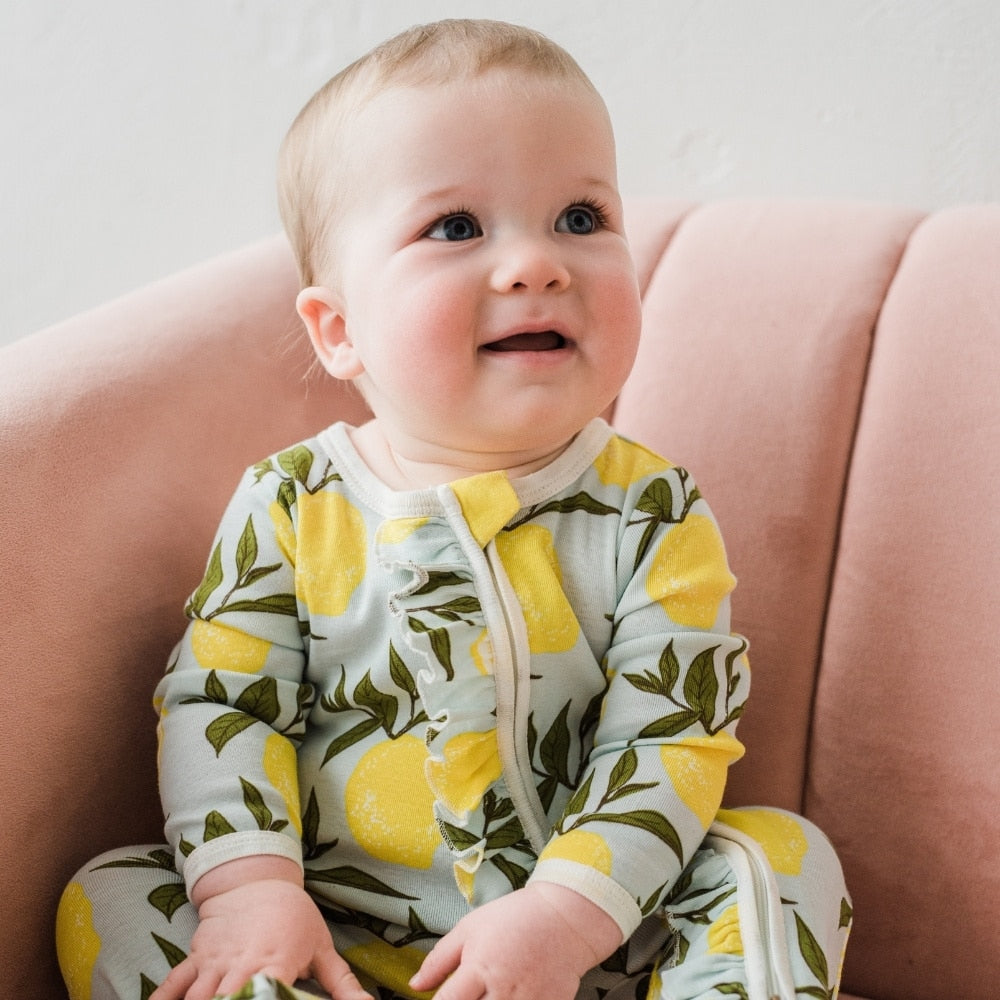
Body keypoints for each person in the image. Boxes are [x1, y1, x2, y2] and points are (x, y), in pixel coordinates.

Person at [57, 19, 851, 1000]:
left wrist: (563, 918)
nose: (537, 264)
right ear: (339, 330)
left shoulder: (651, 511)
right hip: (332, 939)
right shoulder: (291, 503)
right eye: (456, 228)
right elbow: (224, 706)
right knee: (111, 894)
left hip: (598, 939)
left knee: (778, 857)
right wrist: (251, 891)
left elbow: (666, 736)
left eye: (580, 217)